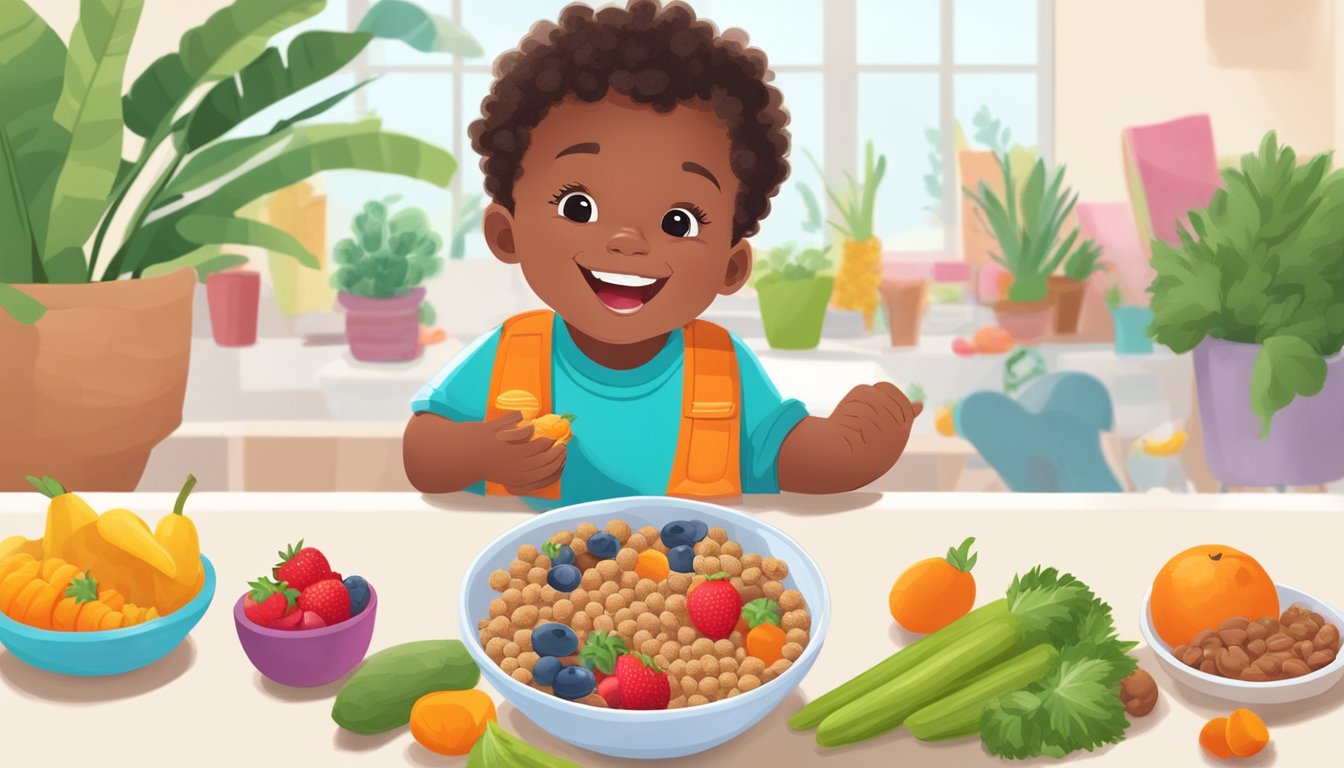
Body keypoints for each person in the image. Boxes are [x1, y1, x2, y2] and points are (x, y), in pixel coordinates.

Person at [404, 0, 922, 505]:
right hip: (529, 582)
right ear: (506, 235)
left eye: (680, 222)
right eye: (578, 207)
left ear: (731, 266)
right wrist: (478, 452)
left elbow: (785, 456)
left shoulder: (722, 367)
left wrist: (851, 450)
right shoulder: (506, 356)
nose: (627, 242)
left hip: (690, 588)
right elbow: (422, 452)